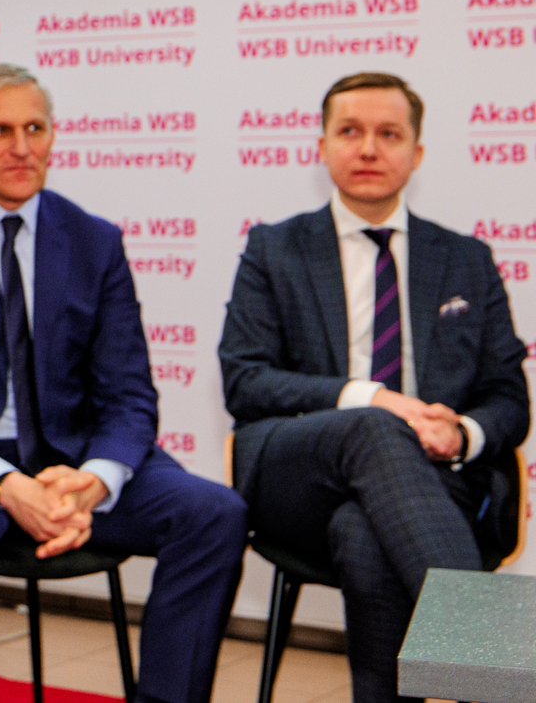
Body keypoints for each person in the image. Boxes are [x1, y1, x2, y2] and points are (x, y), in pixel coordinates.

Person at [0, 63, 246, 703]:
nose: (22, 147)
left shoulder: (95, 240)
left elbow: (129, 393)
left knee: (214, 513)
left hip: (71, 461)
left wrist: (94, 482)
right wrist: (5, 484)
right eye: (0, 131)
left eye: (35, 128)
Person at [219, 72, 528, 703]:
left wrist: (460, 432)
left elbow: (508, 397)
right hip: (302, 474)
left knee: (364, 534)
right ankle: (498, 670)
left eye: (388, 134)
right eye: (349, 131)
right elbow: (246, 381)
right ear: (322, 146)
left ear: (416, 152)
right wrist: (374, 399)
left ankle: (482, 675)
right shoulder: (274, 249)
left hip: (433, 482)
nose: (367, 148)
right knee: (371, 426)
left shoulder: (465, 258)